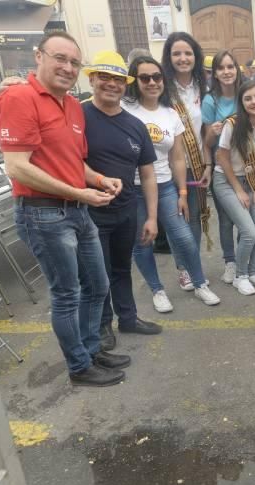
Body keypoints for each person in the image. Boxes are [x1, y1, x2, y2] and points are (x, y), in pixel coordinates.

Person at [0, 31, 130, 387]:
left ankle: (91, 350)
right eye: (60, 58)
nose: (67, 68)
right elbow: (17, 166)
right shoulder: (20, 97)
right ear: (39, 56)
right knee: (68, 293)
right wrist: (79, 193)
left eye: (74, 62)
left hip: (76, 209)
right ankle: (79, 366)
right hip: (43, 213)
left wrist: (100, 180)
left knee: (97, 286)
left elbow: (72, 161)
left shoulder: (71, 105)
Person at [124, 56, 221, 312]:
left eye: (157, 77)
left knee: (184, 237)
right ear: (134, 81)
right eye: (145, 78)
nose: (152, 82)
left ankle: (199, 283)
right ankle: (157, 290)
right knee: (143, 241)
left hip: (165, 185)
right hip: (132, 190)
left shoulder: (170, 113)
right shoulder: (124, 109)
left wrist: (182, 191)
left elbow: (177, 157)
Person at [81, 52, 163, 351]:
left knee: (121, 269)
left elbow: (148, 174)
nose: (112, 85)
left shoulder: (135, 125)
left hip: (127, 209)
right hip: (90, 211)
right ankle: (102, 326)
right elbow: (68, 163)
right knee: (97, 274)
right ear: (91, 79)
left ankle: (127, 317)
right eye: (104, 78)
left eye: (118, 80)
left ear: (125, 85)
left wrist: (152, 217)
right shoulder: (77, 117)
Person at [161, 32, 213, 292]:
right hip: (167, 165)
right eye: (177, 53)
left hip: (196, 163)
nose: (183, 58)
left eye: (188, 53)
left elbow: (205, 130)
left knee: (192, 218)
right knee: (175, 221)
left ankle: (193, 267)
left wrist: (207, 164)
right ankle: (183, 270)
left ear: (196, 56)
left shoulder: (204, 86)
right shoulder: (161, 87)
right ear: (169, 58)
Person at [213, 80, 255, 295]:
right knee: (248, 232)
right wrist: (239, 190)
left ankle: (254, 271)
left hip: (252, 182)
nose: (254, 102)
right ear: (241, 102)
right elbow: (221, 157)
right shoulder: (233, 123)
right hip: (227, 181)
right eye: (247, 98)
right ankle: (241, 276)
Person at [203, 50, 242, 285]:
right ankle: (230, 261)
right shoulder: (211, 100)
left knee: (245, 220)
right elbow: (206, 143)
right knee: (226, 220)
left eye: (230, 66)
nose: (226, 72)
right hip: (222, 168)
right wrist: (212, 132)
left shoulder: (246, 94)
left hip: (246, 167)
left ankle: (244, 259)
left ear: (237, 69)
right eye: (221, 68)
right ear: (215, 73)